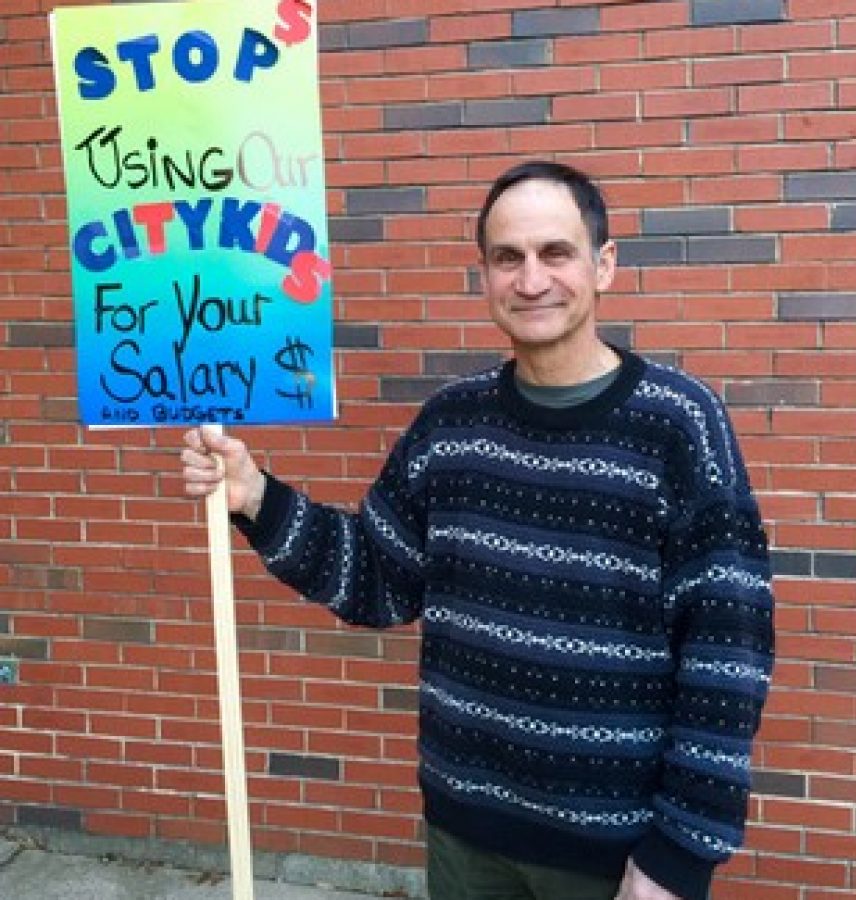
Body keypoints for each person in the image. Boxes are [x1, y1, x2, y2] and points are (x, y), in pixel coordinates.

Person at [182, 161, 774, 900]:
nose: (531, 280)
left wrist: (681, 853)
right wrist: (254, 495)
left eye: (555, 253)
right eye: (507, 258)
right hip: (466, 834)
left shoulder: (680, 425)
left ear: (604, 265)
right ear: (485, 276)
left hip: (615, 854)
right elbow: (375, 578)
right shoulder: (451, 425)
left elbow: (729, 654)